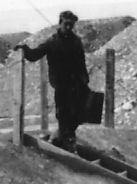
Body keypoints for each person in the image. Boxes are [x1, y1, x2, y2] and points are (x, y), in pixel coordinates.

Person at [20, 11, 92, 149]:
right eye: (66, 24)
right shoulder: (52, 42)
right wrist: (25, 49)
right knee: (63, 114)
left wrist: (84, 83)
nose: (69, 27)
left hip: (75, 84)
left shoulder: (76, 42)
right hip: (61, 85)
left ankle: (65, 139)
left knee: (77, 115)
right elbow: (35, 55)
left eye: (71, 24)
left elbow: (81, 63)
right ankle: (65, 142)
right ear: (60, 23)